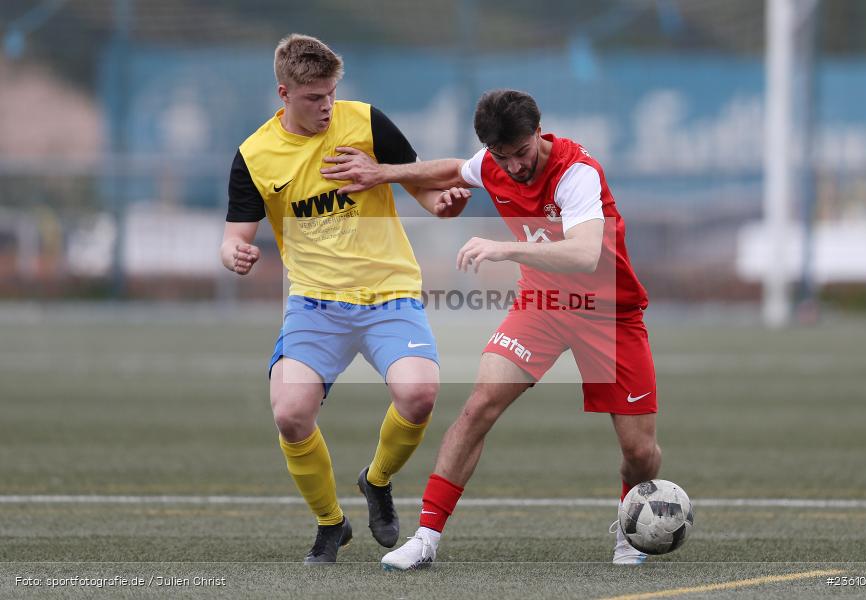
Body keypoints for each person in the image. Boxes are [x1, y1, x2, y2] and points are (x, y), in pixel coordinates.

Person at [320, 89, 661, 568]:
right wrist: (384, 173)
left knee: (639, 452)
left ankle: (630, 533)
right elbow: (451, 169)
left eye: (522, 154)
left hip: (609, 313)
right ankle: (425, 539)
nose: (515, 167)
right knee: (479, 404)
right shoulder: (494, 163)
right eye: (503, 157)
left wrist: (505, 249)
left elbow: (585, 255)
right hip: (542, 305)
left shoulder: (576, 173)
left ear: (538, 133)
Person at [221, 34, 455, 564]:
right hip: (315, 305)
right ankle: (331, 524)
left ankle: (377, 480)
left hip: (388, 294)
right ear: (284, 92)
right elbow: (235, 235)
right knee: (290, 413)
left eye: (331, 93)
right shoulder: (255, 155)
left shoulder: (366, 123)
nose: (326, 106)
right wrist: (233, 253)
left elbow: (423, 187)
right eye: (313, 97)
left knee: (420, 394)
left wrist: (446, 204)